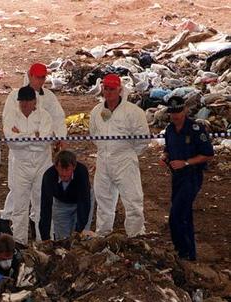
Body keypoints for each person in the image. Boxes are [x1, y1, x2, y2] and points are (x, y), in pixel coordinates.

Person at [89, 73, 150, 236]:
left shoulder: (133, 112)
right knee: (103, 201)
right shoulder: (96, 111)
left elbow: (143, 138)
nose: (108, 93)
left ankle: (135, 235)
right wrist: (105, 149)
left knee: (133, 201)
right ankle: (102, 235)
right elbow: (93, 133)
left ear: (119, 90)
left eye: (112, 89)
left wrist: (127, 152)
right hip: (103, 161)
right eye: (106, 89)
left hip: (125, 161)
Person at [161, 96, 214, 261]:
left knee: (176, 216)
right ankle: (189, 253)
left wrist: (185, 162)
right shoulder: (170, 129)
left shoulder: (196, 129)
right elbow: (168, 148)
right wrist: (165, 156)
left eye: (178, 111)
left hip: (191, 176)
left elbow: (208, 154)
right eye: (172, 113)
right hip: (176, 177)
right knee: (185, 215)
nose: (175, 116)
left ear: (184, 110)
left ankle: (182, 251)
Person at [0, 85, 54, 245]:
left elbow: (45, 142)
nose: (23, 105)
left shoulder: (44, 116)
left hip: (41, 165)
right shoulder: (12, 116)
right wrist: (33, 136)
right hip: (21, 165)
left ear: (34, 101)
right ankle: (19, 243)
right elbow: (11, 141)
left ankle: (43, 241)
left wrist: (22, 137)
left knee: (41, 205)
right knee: (19, 205)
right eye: (21, 102)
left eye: (26, 102)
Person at [39, 150, 93, 240]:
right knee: (62, 240)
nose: (64, 174)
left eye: (67, 170)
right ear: (56, 167)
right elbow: (45, 206)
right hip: (61, 203)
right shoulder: (49, 176)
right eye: (61, 170)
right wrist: (45, 237)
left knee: (81, 239)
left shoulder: (81, 172)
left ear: (74, 167)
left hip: (81, 200)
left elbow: (84, 202)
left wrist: (78, 231)